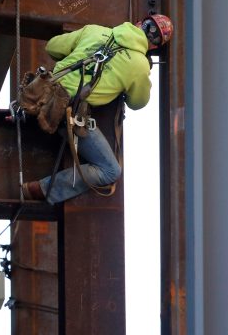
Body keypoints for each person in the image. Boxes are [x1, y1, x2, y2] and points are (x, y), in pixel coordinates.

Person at [21, 14, 174, 204]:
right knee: (110, 171)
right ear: (154, 46)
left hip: (42, 95)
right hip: (66, 113)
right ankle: (41, 189)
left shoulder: (94, 30)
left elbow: (52, 46)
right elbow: (138, 103)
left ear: (139, 23)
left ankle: (24, 115)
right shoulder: (139, 66)